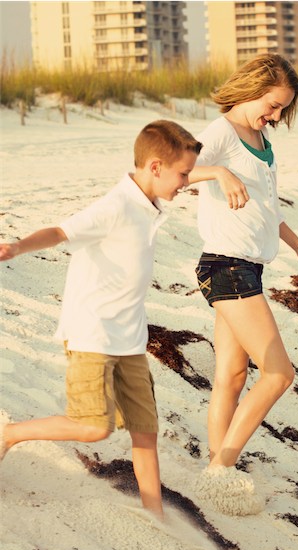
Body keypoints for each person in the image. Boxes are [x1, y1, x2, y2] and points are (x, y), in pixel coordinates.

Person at [0, 120, 203, 519]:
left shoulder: (149, 202)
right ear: (156, 167)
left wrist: (223, 173)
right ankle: (9, 434)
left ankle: (154, 514)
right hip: (92, 333)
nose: (187, 182)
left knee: (145, 431)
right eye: (183, 174)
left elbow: (190, 170)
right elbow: (61, 231)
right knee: (93, 426)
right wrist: (18, 246)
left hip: (130, 338)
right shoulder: (117, 206)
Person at [188, 54, 298, 516]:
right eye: (271, 105)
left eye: (281, 109)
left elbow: (269, 210)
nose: (274, 116)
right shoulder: (219, 134)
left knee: (231, 378)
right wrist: (218, 171)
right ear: (251, 90)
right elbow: (169, 175)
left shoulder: (261, 137)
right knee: (279, 374)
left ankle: (216, 471)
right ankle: (221, 471)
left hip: (247, 267)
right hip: (226, 267)